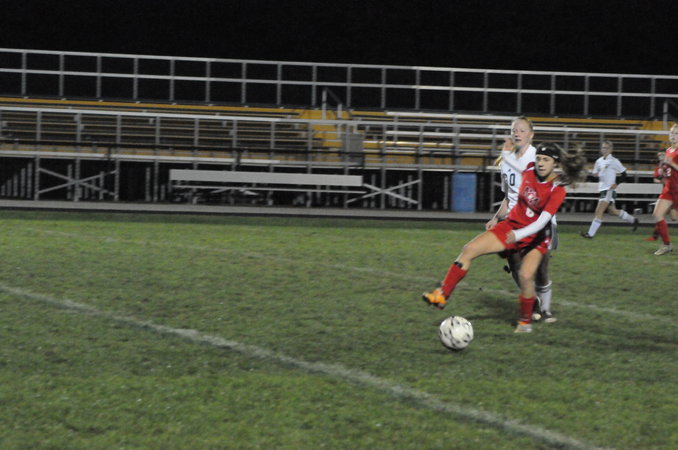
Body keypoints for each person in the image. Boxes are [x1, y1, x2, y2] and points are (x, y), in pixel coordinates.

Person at [422, 143, 586, 333]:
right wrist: (506, 153)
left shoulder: (557, 190)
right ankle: (442, 295)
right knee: (469, 250)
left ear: (555, 163)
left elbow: (542, 222)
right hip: (511, 226)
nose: (540, 163)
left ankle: (525, 322)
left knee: (525, 276)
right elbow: (514, 166)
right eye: (539, 158)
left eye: (546, 160)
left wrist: (518, 235)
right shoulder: (529, 170)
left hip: (535, 238)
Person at [485, 116, 556, 322]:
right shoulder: (506, 160)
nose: (517, 133)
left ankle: (545, 309)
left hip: (537, 220)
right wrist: (496, 218)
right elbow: (509, 196)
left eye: (522, 130)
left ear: (531, 135)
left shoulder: (538, 158)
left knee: (540, 269)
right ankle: (534, 306)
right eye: (514, 130)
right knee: (516, 264)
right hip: (513, 221)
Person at [580, 141, 639, 238]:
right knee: (612, 211)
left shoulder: (614, 161)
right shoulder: (599, 161)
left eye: (607, 148)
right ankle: (633, 220)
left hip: (609, 190)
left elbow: (624, 174)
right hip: (602, 189)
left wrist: (616, 183)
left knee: (599, 211)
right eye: (603, 148)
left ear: (611, 149)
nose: (605, 150)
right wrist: (595, 174)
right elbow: (595, 173)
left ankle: (590, 234)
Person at [649, 123, 678, 255]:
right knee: (657, 214)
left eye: (676, 134)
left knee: (674, 217)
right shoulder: (668, 150)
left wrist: (672, 164)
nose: (673, 136)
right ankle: (667, 245)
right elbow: (668, 171)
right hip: (669, 188)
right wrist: (662, 172)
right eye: (672, 133)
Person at [646, 151, 678, 241]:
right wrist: (662, 179)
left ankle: (657, 237)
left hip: (674, 192)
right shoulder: (660, 167)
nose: (661, 157)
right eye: (659, 156)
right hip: (667, 193)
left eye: (663, 155)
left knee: (673, 217)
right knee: (659, 214)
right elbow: (655, 179)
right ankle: (656, 237)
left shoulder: (672, 163)